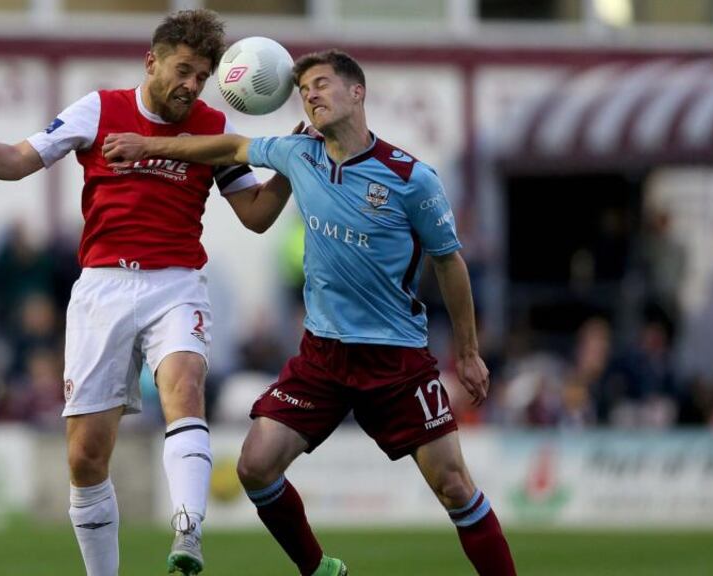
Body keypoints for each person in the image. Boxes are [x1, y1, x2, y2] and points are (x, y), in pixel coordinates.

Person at [103, 49, 516, 576]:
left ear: (357, 92)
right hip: (322, 357)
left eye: (321, 84)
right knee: (255, 466)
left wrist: (469, 352)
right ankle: (320, 570)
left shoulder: (412, 178)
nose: (311, 95)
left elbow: (450, 263)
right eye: (304, 90)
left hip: (396, 360)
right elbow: (232, 146)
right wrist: (149, 144)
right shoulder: (301, 154)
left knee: (455, 486)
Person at [0, 10, 293, 576]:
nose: (192, 86)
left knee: (185, 385)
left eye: (202, 76)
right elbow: (20, 161)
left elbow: (257, 216)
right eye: (184, 71)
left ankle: (188, 530)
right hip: (103, 286)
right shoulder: (98, 108)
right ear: (152, 61)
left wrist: (290, 164)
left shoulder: (213, 127)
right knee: (86, 456)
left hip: (177, 281)